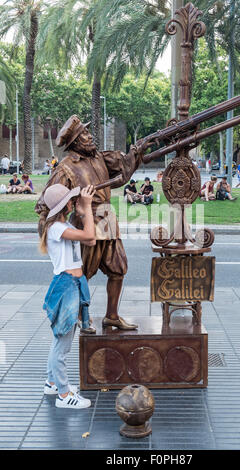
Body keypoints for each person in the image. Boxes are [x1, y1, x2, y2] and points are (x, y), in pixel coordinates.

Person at [36, 114, 147, 331]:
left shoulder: (97, 158)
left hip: (108, 221)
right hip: (86, 220)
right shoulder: (66, 167)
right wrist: (48, 228)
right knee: (83, 271)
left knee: (118, 269)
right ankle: (79, 314)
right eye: (84, 134)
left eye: (87, 131)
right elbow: (48, 200)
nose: (89, 136)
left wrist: (138, 151)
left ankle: (112, 315)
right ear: (75, 142)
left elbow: (122, 171)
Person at [41, 183, 96, 409]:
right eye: (71, 200)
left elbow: (90, 240)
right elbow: (90, 234)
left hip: (75, 283)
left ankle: (52, 383)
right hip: (66, 285)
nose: (75, 202)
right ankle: (64, 396)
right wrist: (88, 208)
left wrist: (82, 213)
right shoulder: (55, 228)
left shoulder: (63, 224)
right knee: (62, 343)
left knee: (60, 340)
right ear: (63, 205)